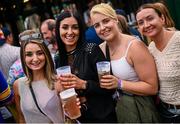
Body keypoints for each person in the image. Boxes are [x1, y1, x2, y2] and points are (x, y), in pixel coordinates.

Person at [90, 3, 160, 123]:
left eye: (106, 21)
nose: (102, 28)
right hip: (120, 109)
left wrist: (119, 83)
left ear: (116, 19)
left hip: (141, 109)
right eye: (97, 25)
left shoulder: (134, 46)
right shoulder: (101, 48)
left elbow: (152, 87)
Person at [55, 10, 117, 123]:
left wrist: (84, 84)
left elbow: (110, 88)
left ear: (80, 30)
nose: (70, 32)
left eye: (75, 27)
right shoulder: (58, 58)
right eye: (65, 27)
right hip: (80, 119)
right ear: (58, 30)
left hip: (103, 117)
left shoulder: (91, 49)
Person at [136, 3, 180, 123]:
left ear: (162, 19)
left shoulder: (178, 39)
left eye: (150, 18)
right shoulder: (150, 48)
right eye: (141, 22)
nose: (146, 25)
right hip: (166, 113)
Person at [13, 30, 65, 123]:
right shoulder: (18, 85)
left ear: (46, 55)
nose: (35, 59)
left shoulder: (59, 81)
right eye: (29, 54)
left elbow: (70, 116)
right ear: (23, 58)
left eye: (40, 53)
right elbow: (21, 119)